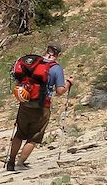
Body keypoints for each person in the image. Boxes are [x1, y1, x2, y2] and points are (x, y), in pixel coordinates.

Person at [6, 42, 69, 171]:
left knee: (19, 133)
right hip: (41, 106)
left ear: (47, 50)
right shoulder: (55, 68)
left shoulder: (33, 62)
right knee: (34, 136)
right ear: (58, 54)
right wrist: (68, 83)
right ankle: (20, 163)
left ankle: (10, 162)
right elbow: (60, 91)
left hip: (25, 103)